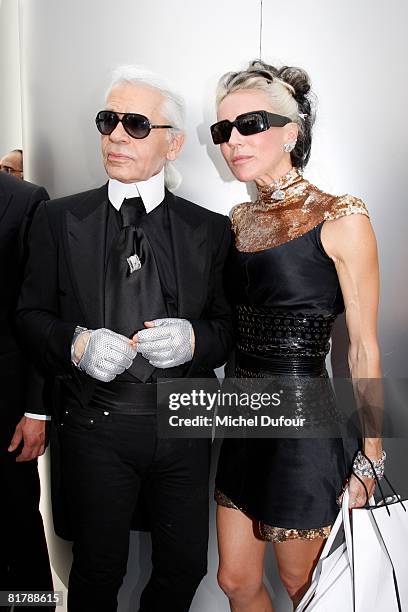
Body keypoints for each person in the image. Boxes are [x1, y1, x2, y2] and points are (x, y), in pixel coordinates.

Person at [17, 65, 233, 612]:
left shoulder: (209, 230)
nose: (115, 134)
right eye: (107, 120)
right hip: (95, 425)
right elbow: (30, 314)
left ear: (173, 144)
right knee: (96, 571)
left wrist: (195, 341)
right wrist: (76, 345)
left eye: (136, 124)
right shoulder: (57, 218)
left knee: (185, 568)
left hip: (184, 422)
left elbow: (228, 327)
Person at [210, 60, 384, 611]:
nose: (233, 141)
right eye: (223, 130)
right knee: (235, 582)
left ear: (292, 130)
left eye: (250, 123)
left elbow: (363, 347)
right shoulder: (238, 220)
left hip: (302, 427)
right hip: (242, 415)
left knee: (305, 589)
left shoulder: (340, 216)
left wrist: (373, 454)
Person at [0, 171, 54, 611]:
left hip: (5, 405)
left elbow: (39, 309)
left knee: (18, 526)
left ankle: (32, 605)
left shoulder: (25, 200)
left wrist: (37, 409)